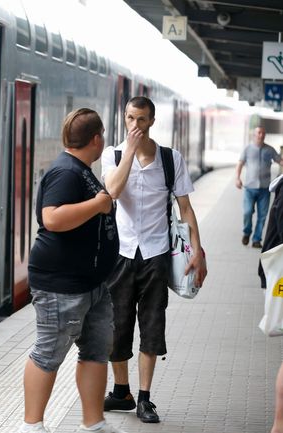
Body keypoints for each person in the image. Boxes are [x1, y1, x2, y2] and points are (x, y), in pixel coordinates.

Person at [101, 96, 207, 424]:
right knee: (117, 327)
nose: (135, 125)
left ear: (151, 121)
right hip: (121, 254)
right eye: (131, 118)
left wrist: (198, 252)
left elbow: (185, 209)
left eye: (141, 119)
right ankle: (122, 391)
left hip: (156, 254)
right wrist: (130, 153)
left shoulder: (170, 159)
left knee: (152, 326)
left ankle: (144, 398)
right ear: (125, 118)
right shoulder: (113, 155)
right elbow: (114, 192)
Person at [21, 108, 124, 433]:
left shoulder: (80, 169)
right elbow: (51, 217)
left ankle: (93, 423)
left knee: (96, 350)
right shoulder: (65, 171)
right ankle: (31, 426)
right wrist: (97, 204)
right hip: (60, 285)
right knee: (49, 351)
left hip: (91, 284)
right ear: (96, 139)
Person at [236, 126, 282, 248]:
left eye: (263, 133)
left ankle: (257, 239)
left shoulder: (270, 150)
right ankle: (247, 232)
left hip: (264, 189)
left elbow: (280, 161)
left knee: (262, 216)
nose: (261, 135)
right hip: (249, 188)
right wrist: (237, 178)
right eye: (259, 132)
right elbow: (240, 164)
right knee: (247, 212)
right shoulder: (247, 149)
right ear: (254, 135)